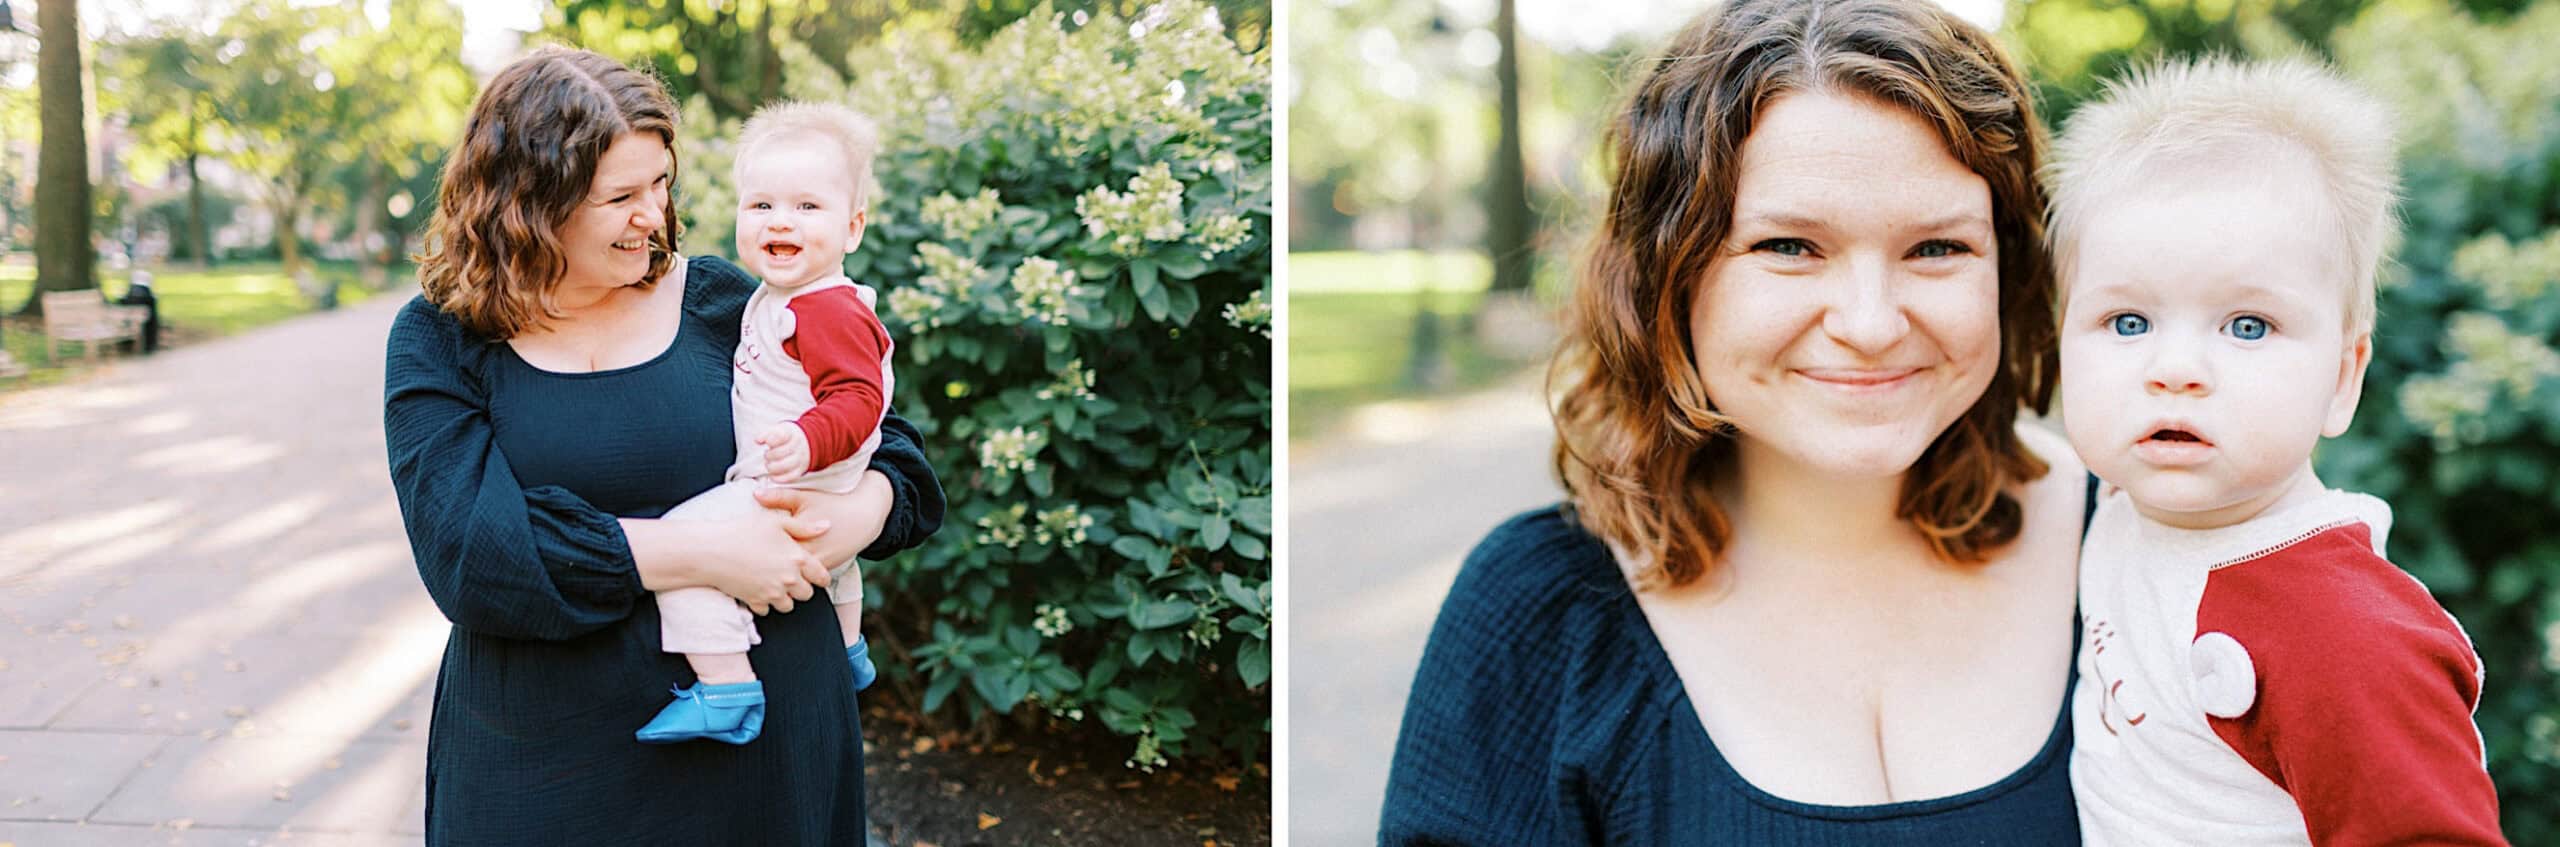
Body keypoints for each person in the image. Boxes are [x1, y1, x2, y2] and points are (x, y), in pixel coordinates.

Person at [1380, 0, 2093, 841]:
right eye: (1789, 246)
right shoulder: (1541, 613)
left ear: (2008, 270)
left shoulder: (2137, 537)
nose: (1871, 324)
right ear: (1666, 274)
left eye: (1937, 248)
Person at [383, 47, 943, 845]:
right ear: (529, 207)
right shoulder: (441, 339)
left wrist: (846, 522)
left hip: (765, 765)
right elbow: (472, 552)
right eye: (620, 196)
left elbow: (892, 447)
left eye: (661, 183)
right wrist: (696, 552)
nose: (654, 214)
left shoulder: (727, 301)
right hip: (547, 762)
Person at [2048, 57, 2506, 844]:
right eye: (2128, 322)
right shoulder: (2119, 504)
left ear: (2340, 380)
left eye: (2247, 326)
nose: (2175, 371)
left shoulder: (2345, 634)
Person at [637, 101, 900, 745]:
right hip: (814, 485)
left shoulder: (828, 310)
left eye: (808, 207)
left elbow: (862, 398)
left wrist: (810, 439)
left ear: (853, 228)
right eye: (761, 206)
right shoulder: (775, 297)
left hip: (793, 482)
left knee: (681, 548)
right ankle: (849, 650)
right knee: (838, 564)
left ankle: (725, 686)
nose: (781, 220)